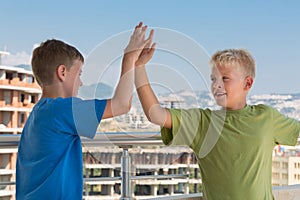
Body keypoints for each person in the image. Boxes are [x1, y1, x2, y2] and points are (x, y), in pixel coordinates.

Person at [135, 47, 300, 199]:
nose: (216, 85)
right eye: (214, 79)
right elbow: (156, 114)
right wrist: (139, 67)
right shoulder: (202, 122)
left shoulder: (267, 117)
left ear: (247, 83)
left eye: (225, 79)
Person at [16, 22, 155, 200]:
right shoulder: (62, 110)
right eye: (79, 73)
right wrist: (129, 58)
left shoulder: (39, 112)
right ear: (62, 72)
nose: (81, 82)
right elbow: (122, 104)